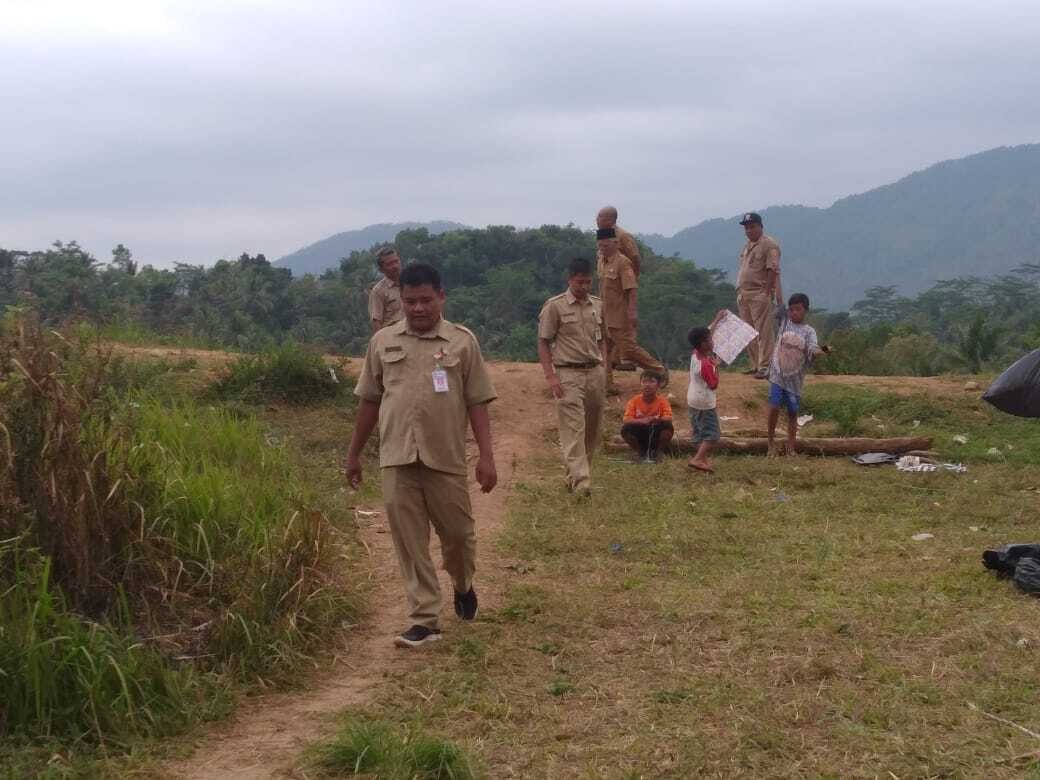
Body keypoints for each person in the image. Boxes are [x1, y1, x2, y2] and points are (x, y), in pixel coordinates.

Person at [346, 263, 498, 648]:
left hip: (444, 459)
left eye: (425, 300)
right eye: (410, 301)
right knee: (410, 543)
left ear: (441, 297)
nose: (417, 309)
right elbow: (369, 401)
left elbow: (478, 402)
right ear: (402, 300)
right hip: (396, 458)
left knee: (459, 537)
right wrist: (354, 455)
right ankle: (425, 618)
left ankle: (463, 586)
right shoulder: (382, 342)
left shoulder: (463, 343)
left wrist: (486, 457)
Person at [537, 257, 607, 497]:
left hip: (595, 371)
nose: (584, 287)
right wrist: (551, 377)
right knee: (573, 427)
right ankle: (582, 482)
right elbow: (544, 341)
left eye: (588, 282)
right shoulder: (555, 306)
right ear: (570, 280)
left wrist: (604, 366)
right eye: (579, 282)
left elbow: (603, 338)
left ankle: (575, 473)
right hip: (568, 372)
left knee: (592, 427)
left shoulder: (598, 305)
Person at [597, 228, 666, 394]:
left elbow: (631, 289)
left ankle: (659, 371)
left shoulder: (623, 262)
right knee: (604, 349)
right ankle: (607, 384)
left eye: (606, 245)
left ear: (615, 243)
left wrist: (632, 311)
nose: (603, 249)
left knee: (628, 348)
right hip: (604, 312)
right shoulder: (601, 261)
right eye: (600, 246)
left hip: (620, 314)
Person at [766, 293, 830, 456]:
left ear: (805, 310)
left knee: (792, 412)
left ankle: (791, 447)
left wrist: (821, 351)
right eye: (792, 309)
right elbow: (778, 299)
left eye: (798, 309)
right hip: (778, 375)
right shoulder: (784, 322)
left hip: (795, 381)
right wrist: (776, 273)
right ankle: (770, 443)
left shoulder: (809, 332)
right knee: (773, 407)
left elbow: (812, 349)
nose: (794, 312)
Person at [736, 212, 783, 379]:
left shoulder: (769, 245)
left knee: (763, 331)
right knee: (747, 332)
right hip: (744, 294)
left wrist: (766, 292)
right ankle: (756, 364)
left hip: (759, 293)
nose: (749, 230)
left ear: (760, 226)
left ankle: (766, 366)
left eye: (752, 226)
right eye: (747, 227)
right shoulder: (748, 245)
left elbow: (773, 269)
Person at [597, 205, 641, 370]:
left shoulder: (623, 236)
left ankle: (628, 359)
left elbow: (635, 257)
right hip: (608, 286)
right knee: (609, 323)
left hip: (622, 283)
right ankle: (613, 359)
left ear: (611, 219)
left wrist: (631, 278)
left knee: (625, 321)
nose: (597, 220)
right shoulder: (602, 236)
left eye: (601, 217)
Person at [686, 310, 728, 473]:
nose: (713, 340)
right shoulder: (707, 364)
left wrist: (717, 319)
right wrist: (716, 366)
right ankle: (698, 459)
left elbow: (708, 331)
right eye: (710, 339)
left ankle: (702, 458)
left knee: (698, 432)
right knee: (712, 434)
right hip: (705, 402)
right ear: (704, 344)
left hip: (692, 399)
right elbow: (713, 384)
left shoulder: (695, 354)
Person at [620, 371, 674, 460]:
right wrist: (641, 421)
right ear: (640, 384)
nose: (647, 385)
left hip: (656, 433)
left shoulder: (663, 401)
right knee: (626, 429)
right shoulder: (634, 401)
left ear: (658, 385)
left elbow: (669, 417)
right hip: (640, 434)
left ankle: (659, 452)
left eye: (651, 382)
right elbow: (626, 419)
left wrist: (656, 419)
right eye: (644, 381)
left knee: (668, 426)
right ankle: (640, 452)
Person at [368, 245, 404, 333]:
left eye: (396, 261)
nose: (395, 266)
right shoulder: (378, 291)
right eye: (390, 264)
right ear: (381, 269)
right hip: (393, 339)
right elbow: (376, 322)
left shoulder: (412, 282)